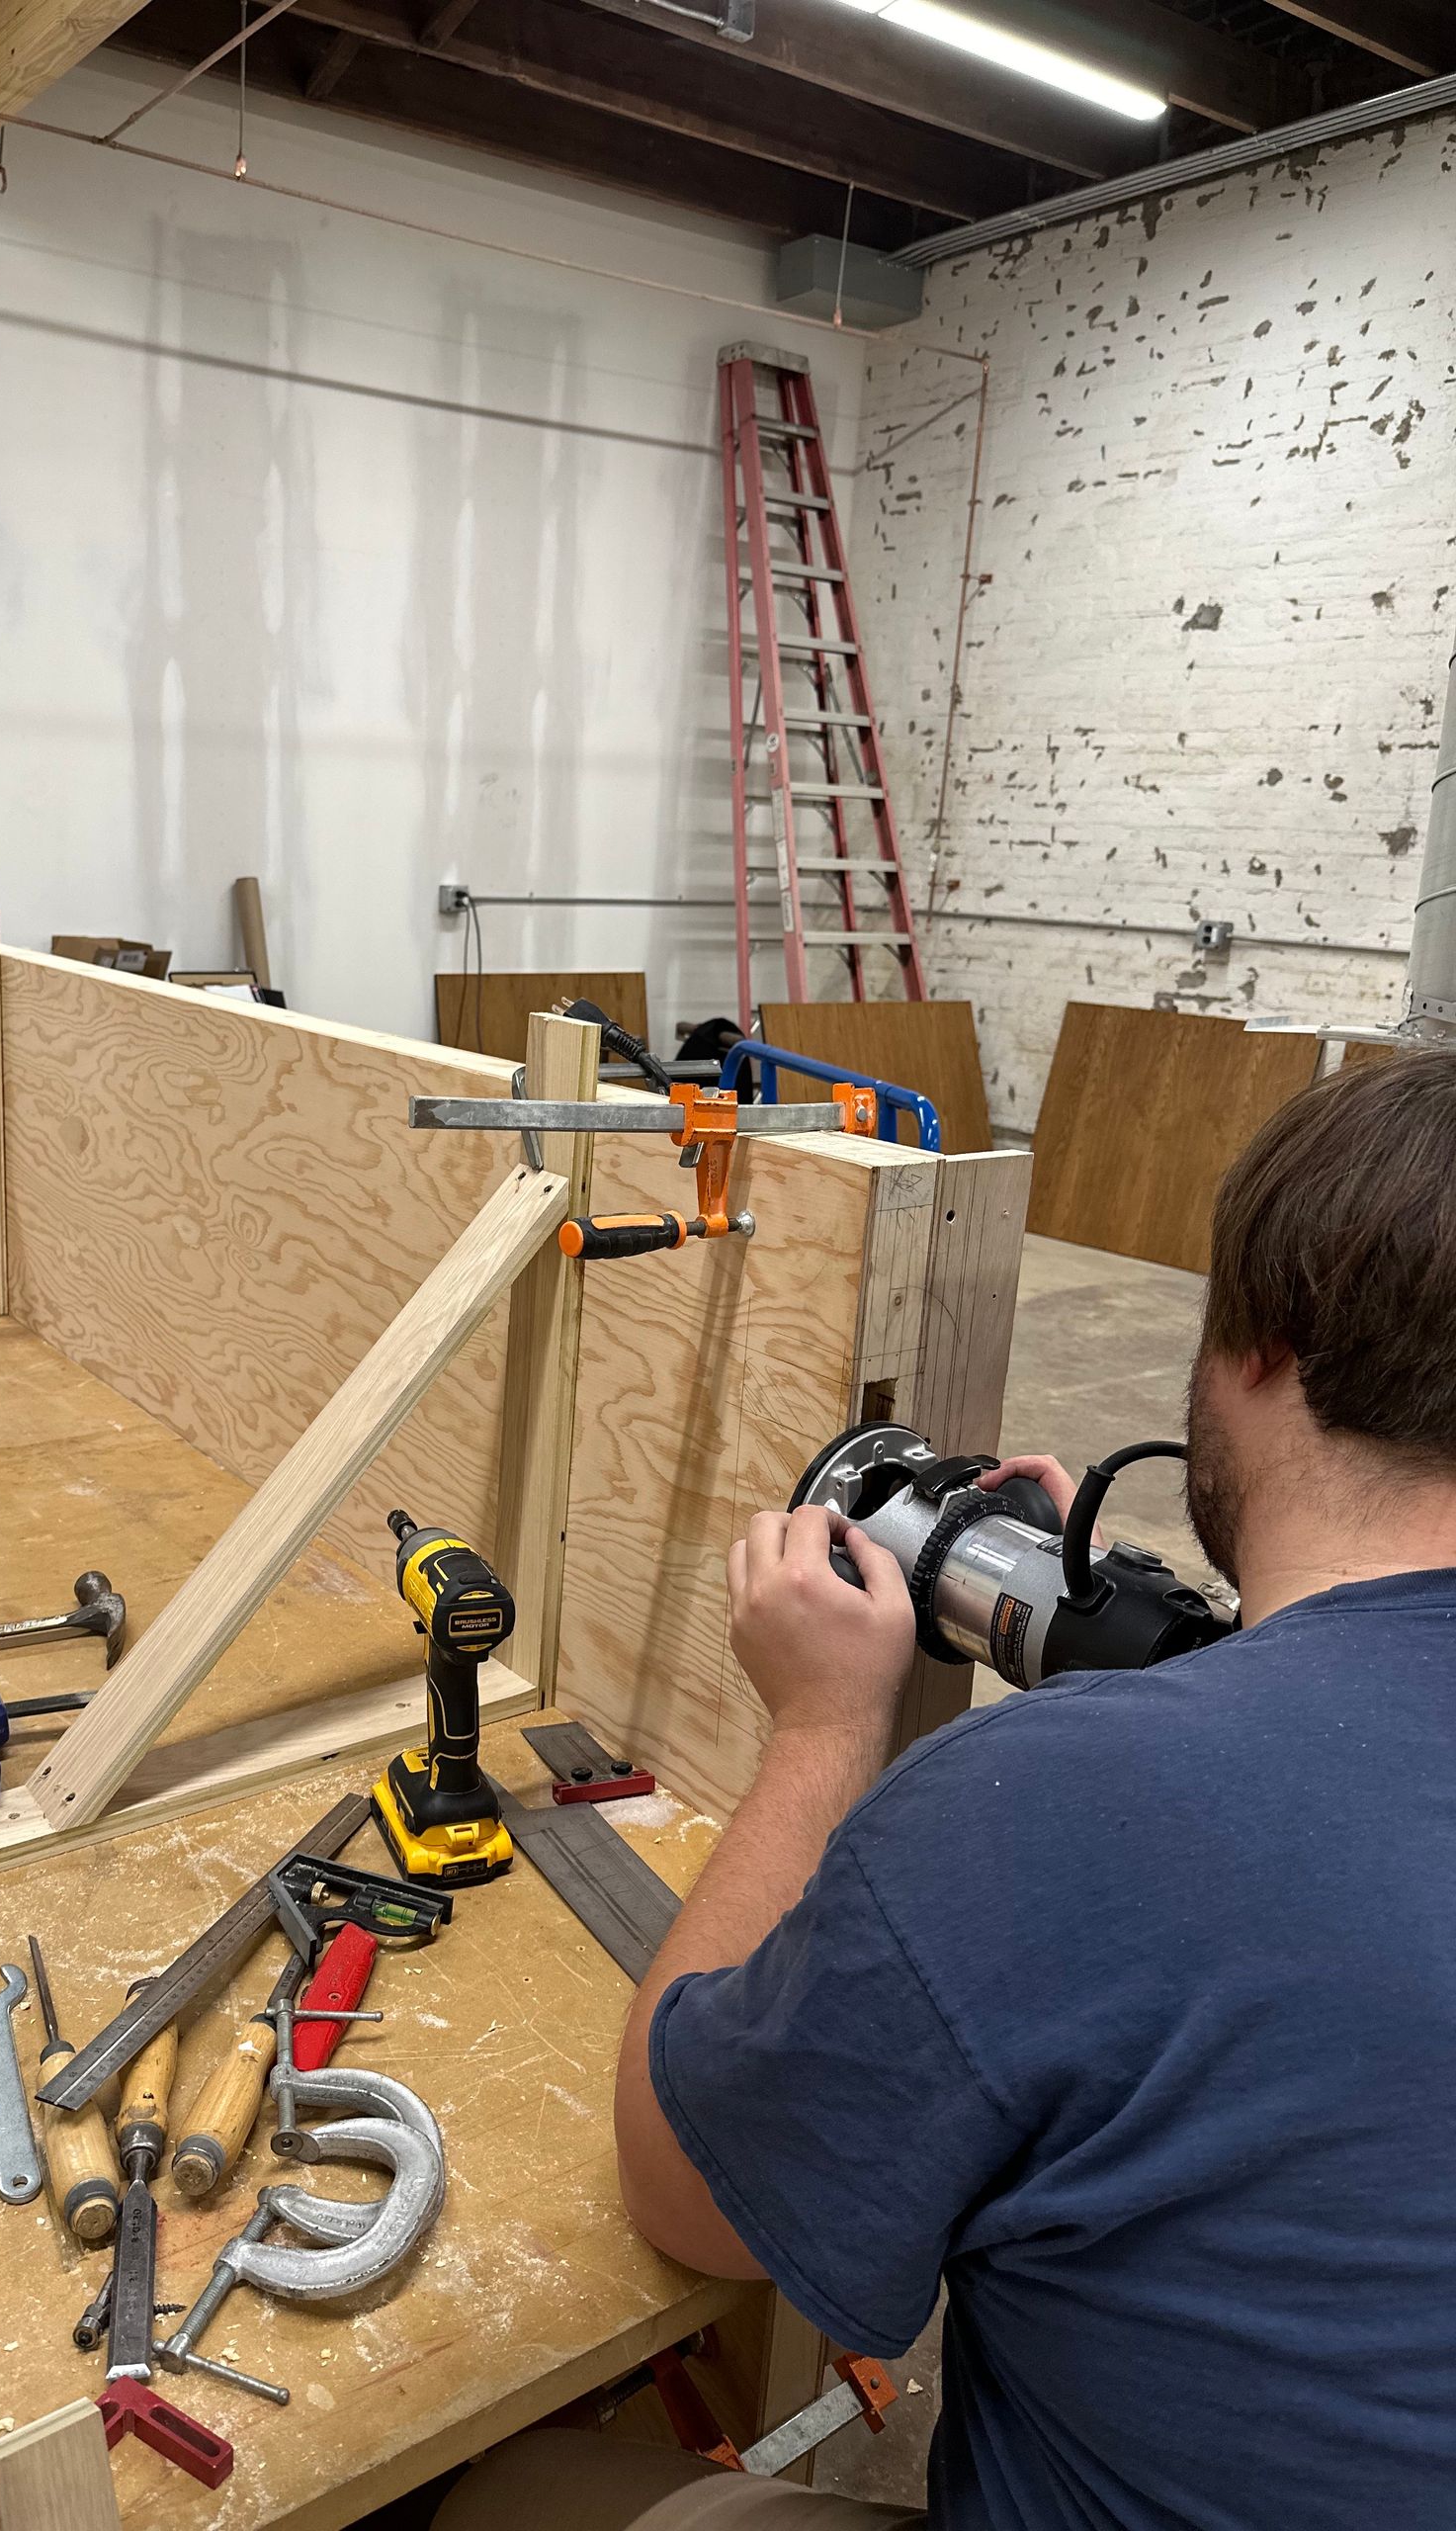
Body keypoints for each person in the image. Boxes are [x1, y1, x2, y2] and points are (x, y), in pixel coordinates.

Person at [439, 1050, 1456, 2529]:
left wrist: (823, 1724)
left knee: (506, 2499)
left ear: (1262, 1344)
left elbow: (686, 2195)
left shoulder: (1054, 1809)